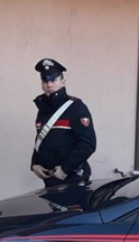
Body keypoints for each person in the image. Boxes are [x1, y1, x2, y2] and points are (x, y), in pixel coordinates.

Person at [30, 58, 96, 187]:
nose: (49, 84)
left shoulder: (76, 107)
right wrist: (35, 164)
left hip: (73, 178)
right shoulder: (43, 109)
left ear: (63, 82)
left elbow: (88, 144)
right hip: (50, 179)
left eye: (53, 80)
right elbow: (41, 140)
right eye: (45, 80)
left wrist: (66, 169)